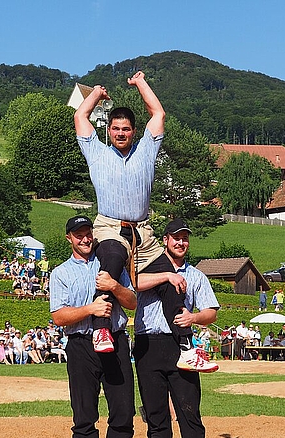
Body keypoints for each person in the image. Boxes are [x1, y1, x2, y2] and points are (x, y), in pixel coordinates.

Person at [74, 72, 197, 369]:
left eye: (126, 129)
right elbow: (80, 115)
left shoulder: (146, 151)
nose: (120, 133)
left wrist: (139, 82)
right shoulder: (97, 152)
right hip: (109, 227)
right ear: (109, 130)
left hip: (143, 232)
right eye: (115, 128)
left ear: (133, 131)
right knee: (112, 258)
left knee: (173, 280)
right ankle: (101, 327)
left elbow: (158, 113)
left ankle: (185, 345)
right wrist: (96, 94)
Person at [49, 215, 137, 438]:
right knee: (84, 414)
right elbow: (59, 317)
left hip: (117, 341)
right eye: (79, 235)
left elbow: (132, 301)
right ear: (69, 239)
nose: (85, 239)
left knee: (123, 410)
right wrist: (91, 310)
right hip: (80, 346)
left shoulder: (110, 263)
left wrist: (115, 287)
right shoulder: (61, 273)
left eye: (88, 233)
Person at [133, 218, 222, 438]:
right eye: (176, 237)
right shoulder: (147, 270)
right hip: (147, 344)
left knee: (189, 409)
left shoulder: (196, 276)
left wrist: (194, 318)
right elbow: (133, 283)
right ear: (165, 240)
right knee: (156, 411)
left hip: (181, 348)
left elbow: (212, 312)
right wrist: (167, 276)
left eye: (185, 238)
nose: (181, 242)